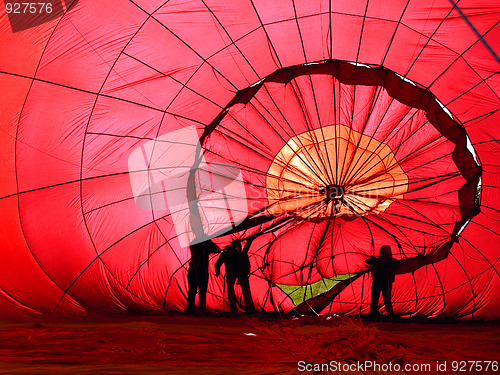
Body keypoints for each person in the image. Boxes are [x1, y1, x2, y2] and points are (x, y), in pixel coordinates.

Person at [366, 239, 456, 318]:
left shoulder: (383, 261)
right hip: (384, 281)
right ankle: (385, 313)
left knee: (380, 298)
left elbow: (370, 262)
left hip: (382, 280)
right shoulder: (387, 261)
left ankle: (381, 313)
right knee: (384, 298)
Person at [215, 237, 255, 314]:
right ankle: (233, 309)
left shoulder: (242, 255)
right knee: (231, 291)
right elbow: (218, 262)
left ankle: (249, 308)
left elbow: (247, 266)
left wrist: (243, 275)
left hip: (241, 274)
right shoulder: (227, 254)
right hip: (231, 274)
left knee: (245, 291)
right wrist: (217, 271)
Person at [187, 238, 220, 313]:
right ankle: (190, 309)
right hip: (194, 269)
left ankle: (201, 309)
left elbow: (217, 249)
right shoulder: (194, 242)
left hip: (202, 271)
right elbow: (195, 251)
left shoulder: (207, 243)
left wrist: (208, 244)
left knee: (202, 291)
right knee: (192, 290)